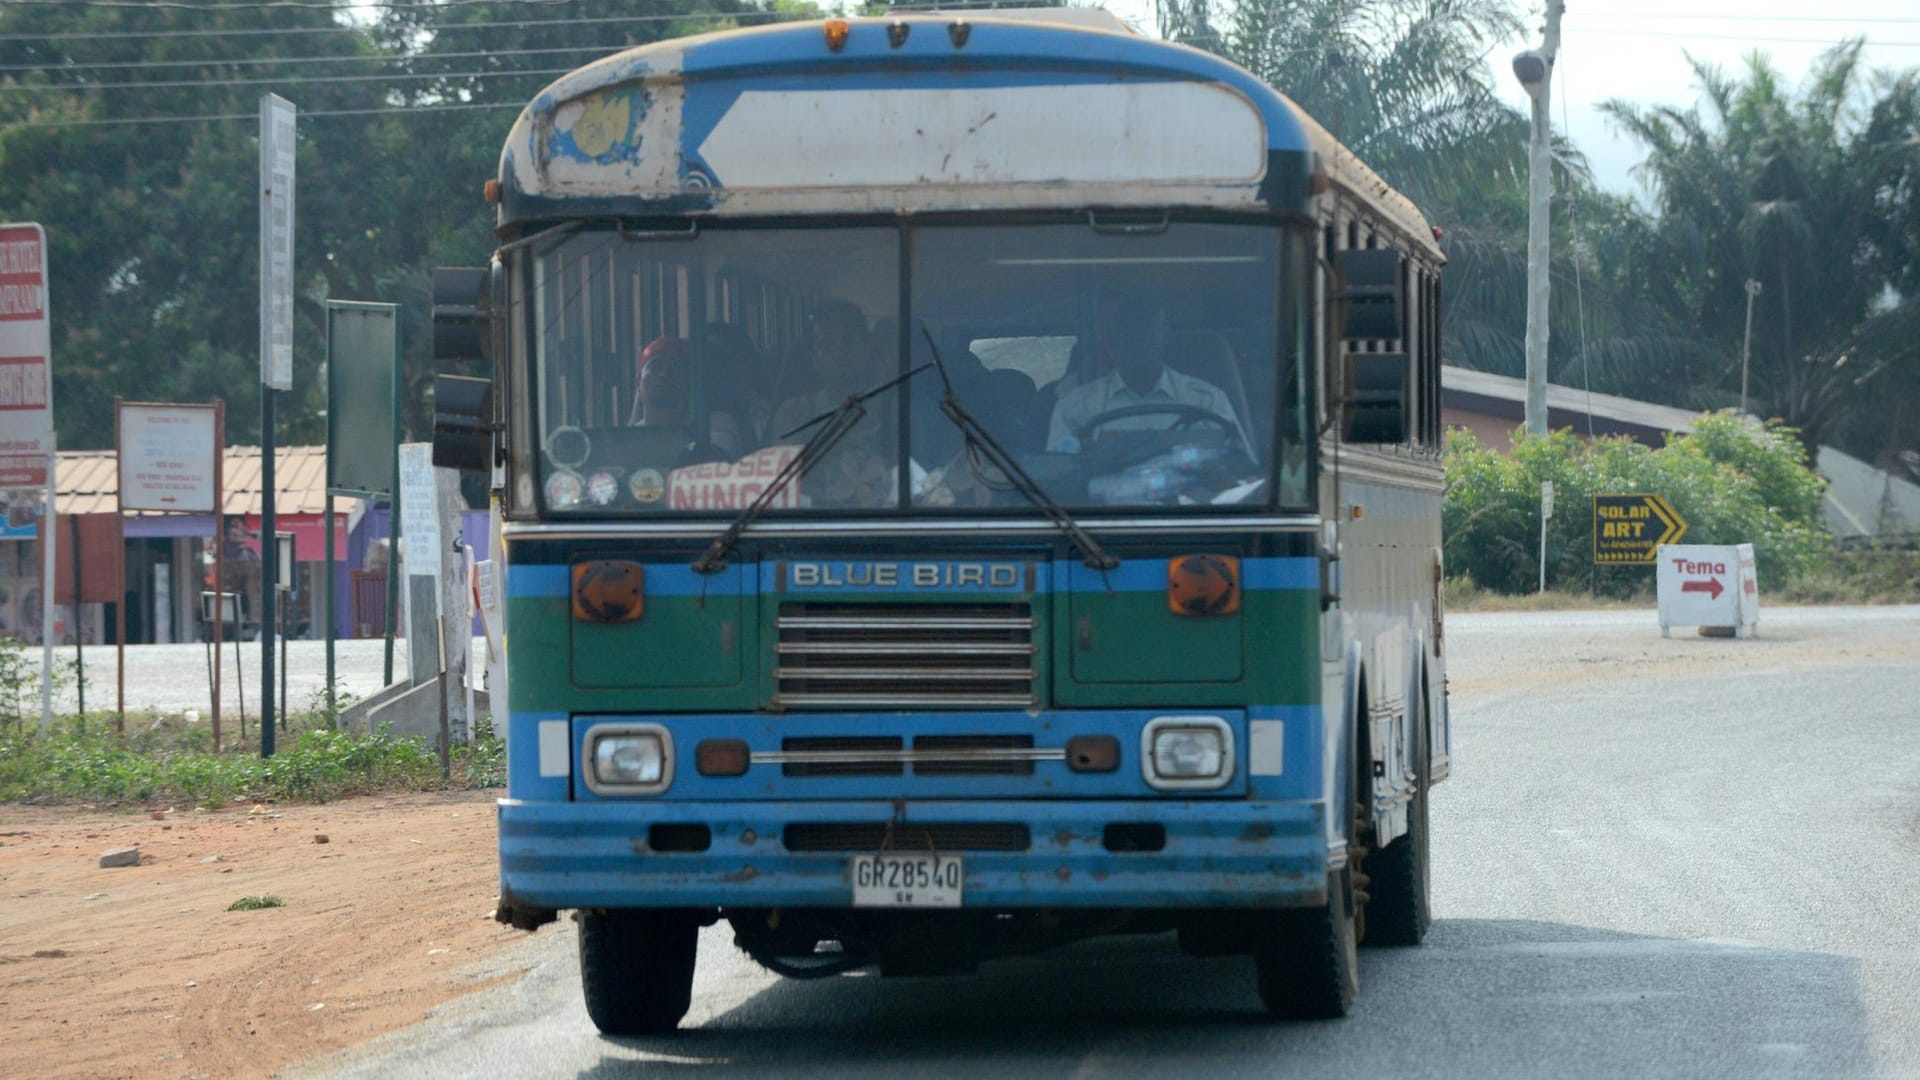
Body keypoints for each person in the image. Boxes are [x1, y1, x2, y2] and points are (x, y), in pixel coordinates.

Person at [1046, 305, 1247, 453]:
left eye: (1145, 330)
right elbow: (1061, 481)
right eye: (1125, 333)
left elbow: (1241, 473)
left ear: (1164, 337)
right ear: (1108, 342)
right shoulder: (1075, 408)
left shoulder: (1208, 400)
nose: (1136, 341)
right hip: (1101, 508)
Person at [628, 335, 743, 457]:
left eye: (676, 369)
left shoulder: (713, 425)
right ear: (637, 381)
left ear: (691, 383)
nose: (664, 374)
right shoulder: (629, 436)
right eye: (655, 366)